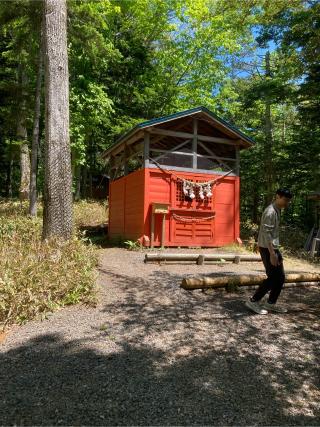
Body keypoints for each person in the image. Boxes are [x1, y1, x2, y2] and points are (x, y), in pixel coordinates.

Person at [245, 188, 293, 315]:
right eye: (285, 200)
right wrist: (272, 254)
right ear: (278, 196)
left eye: (288, 201)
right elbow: (267, 235)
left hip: (273, 247)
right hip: (268, 248)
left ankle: (270, 303)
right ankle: (253, 301)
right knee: (273, 277)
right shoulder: (270, 212)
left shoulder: (277, 210)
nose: (286, 203)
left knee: (280, 277)